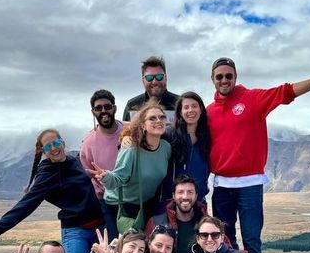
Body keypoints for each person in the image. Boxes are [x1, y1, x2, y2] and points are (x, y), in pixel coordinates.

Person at [207, 50, 310, 253]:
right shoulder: (208, 112)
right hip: (222, 186)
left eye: (228, 76)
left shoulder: (253, 98)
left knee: (252, 240)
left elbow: (288, 91)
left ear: (236, 77)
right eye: (219, 77)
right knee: (224, 240)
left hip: (249, 185)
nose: (224, 80)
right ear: (213, 80)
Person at [0, 129, 104, 253]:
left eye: (56, 143)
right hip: (75, 232)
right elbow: (26, 205)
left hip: (101, 227)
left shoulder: (75, 160)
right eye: (47, 147)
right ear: (44, 152)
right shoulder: (47, 174)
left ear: (63, 143)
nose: (53, 148)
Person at [87, 101, 172, 230]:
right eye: (152, 118)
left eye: (162, 117)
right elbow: (118, 179)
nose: (158, 121)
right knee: (123, 246)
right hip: (120, 205)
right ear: (143, 125)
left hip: (145, 204)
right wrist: (105, 176)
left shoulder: (166, 147)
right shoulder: (131, 148)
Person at [80, 89, 124, 240]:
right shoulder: (88, 143)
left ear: (114, 108)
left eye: (107, 106)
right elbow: (89, 175)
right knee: (115, 244)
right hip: (107, 203)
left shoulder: (131, 130)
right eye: (98, 108)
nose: (103, 111)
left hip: (135, 198)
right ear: (93, 112)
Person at [145, 175, 208, 253]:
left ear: (196, 196)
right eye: (180, 192)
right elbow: (145, 252)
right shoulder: (156, 222)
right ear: (173, 196)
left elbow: (224, 247)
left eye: (190, 192)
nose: (185, 197)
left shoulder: (206, 222)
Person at [160, 92, 211, 203]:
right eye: (186, 107)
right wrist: (125, 136)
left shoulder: (207, 136)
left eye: (194, 106)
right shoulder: (168, 134)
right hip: (171, 200)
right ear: (180, 111)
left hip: (199, 200)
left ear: (201, 109)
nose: (190, 110)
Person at [123, 55, 180, 123]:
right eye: (149, 78)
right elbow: (125, 132)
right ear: (143, 80)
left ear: (166, 78)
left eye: (159, 76)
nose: (155, 82)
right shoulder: (132, 105)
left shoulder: (180, 104)